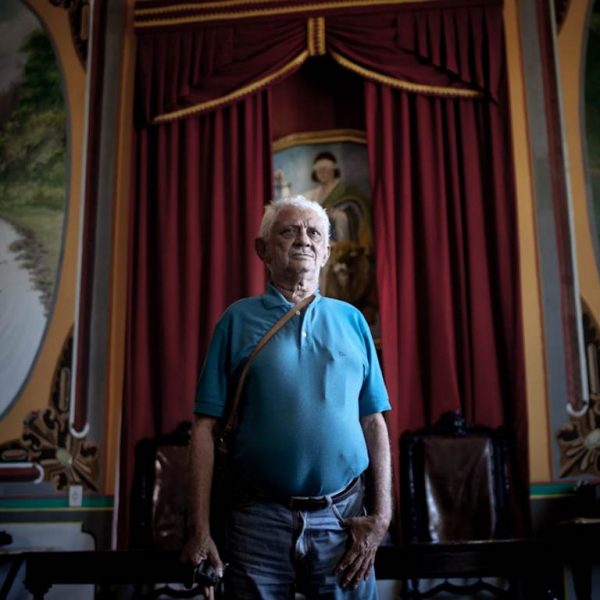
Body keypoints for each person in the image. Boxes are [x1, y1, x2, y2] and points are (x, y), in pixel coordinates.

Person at [181, 194, 392, 599]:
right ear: (262, 249)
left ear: (326, 252)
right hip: (256, 522)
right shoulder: (236, 320)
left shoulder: (353, 321)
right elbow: (205, 429)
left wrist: (381, 517)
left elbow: (373, 422)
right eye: (289, 231)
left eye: (314, 233)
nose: (303, 239)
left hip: (342, 521)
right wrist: (200, 530)